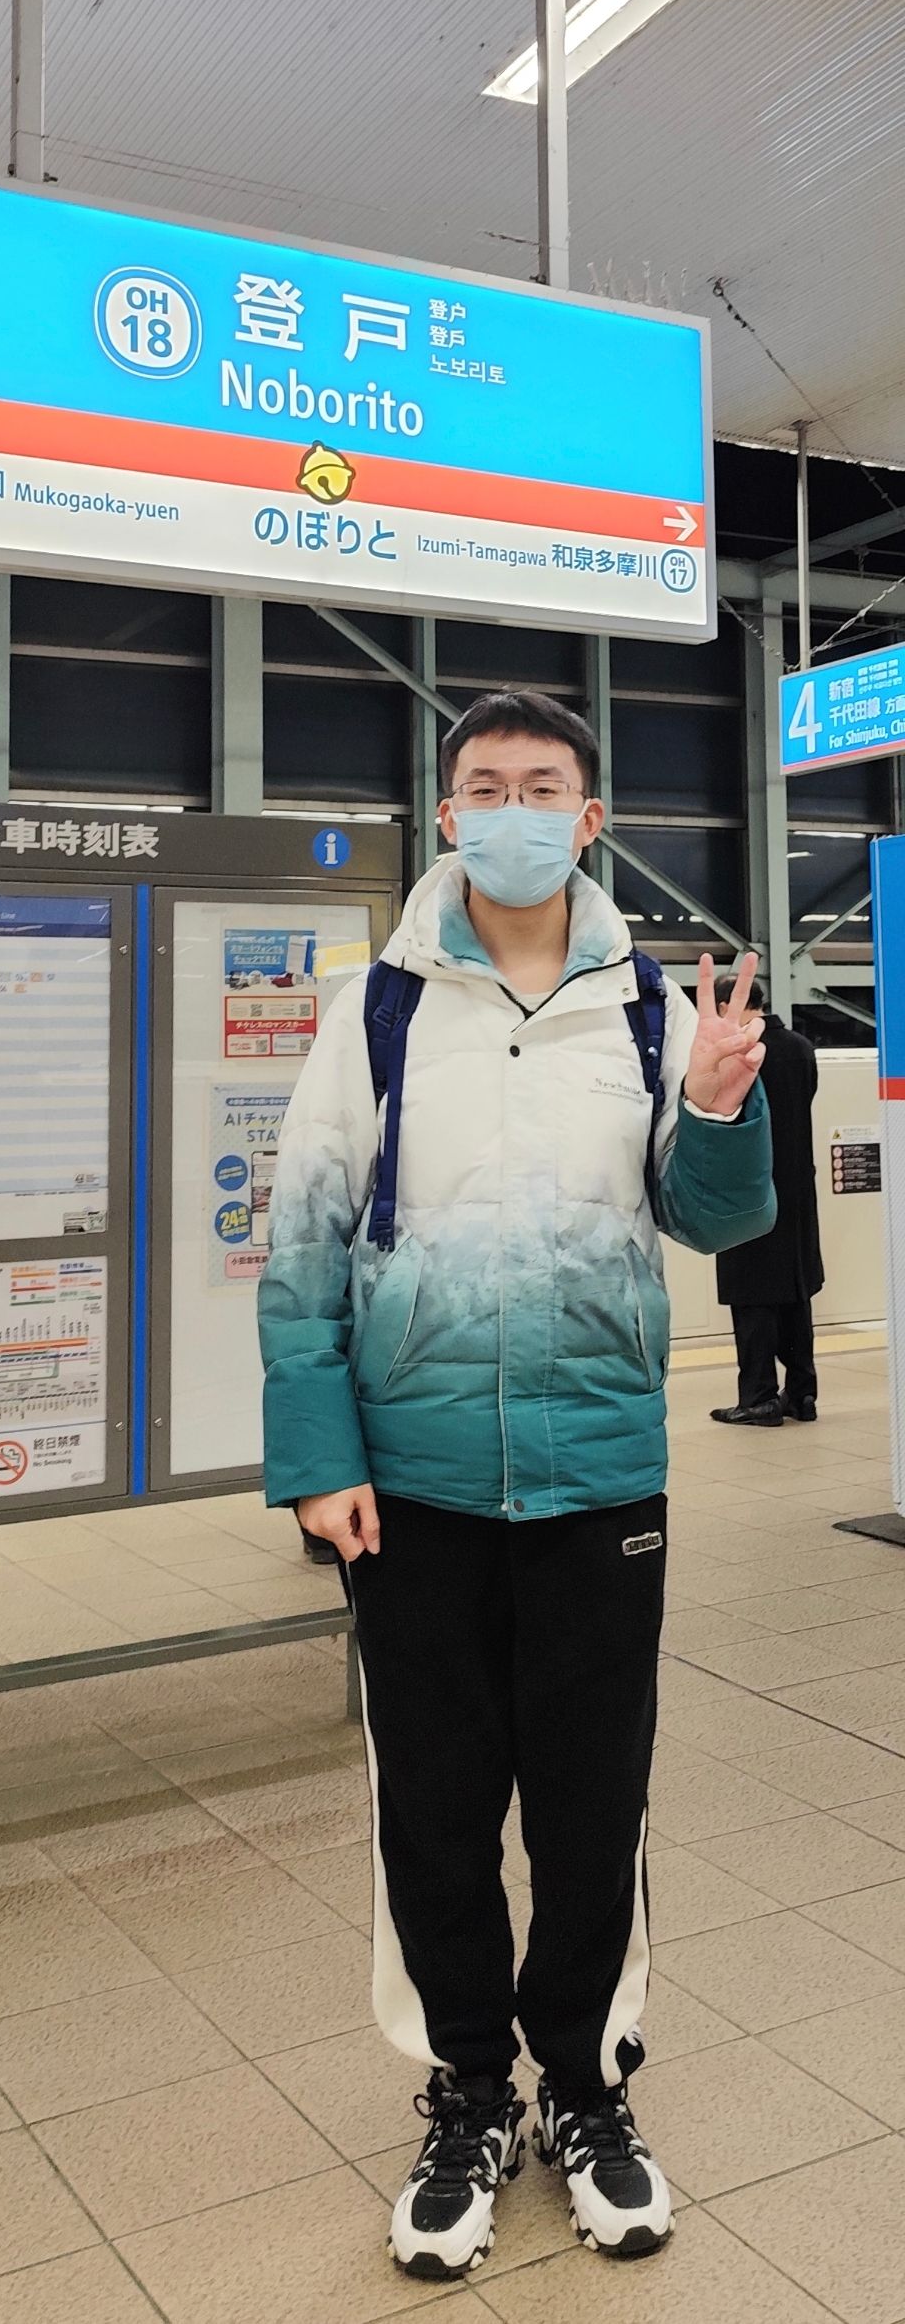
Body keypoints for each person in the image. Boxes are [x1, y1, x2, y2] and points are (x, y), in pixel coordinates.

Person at [258, 688, 775, 2284]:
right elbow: (302, 1235)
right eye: (484, 786)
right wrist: (319, 1455)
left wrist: (718, 1102)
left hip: (599, 1474)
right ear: (446, 812)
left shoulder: (647, 1008)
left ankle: (587, 2086)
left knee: (592, 1803)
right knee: (433, 1801)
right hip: (409, 1485)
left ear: (590, 818)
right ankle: (467, 2091)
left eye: (543, 787)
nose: (513, 810)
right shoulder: (379, 1007)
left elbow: (717, 1225)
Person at [710, 978, 823, 1427]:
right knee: (796, 1292)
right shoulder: (801, 1048)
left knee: (752, 1295)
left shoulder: (740, 1055)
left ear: (728, 1006)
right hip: (798, 1192)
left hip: (749, 1191)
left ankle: (759, 1398)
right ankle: (802, 1394)